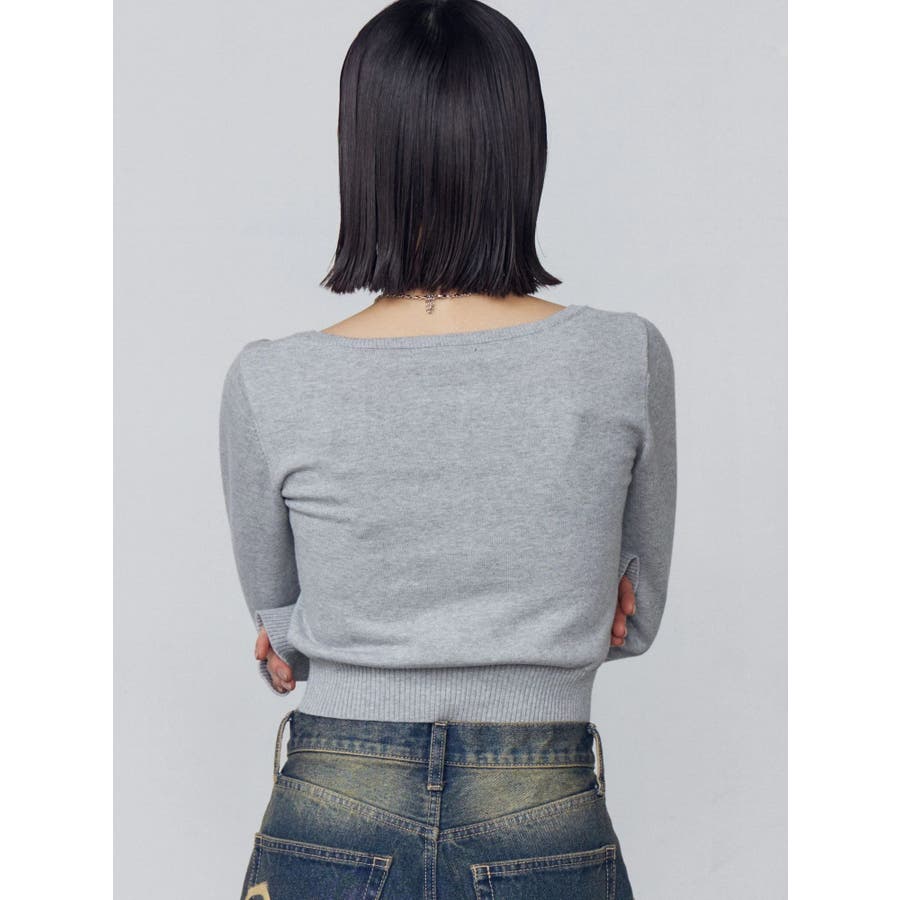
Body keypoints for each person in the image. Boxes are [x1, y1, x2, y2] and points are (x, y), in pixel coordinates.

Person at [218, 2, 676, 897]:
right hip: (543, 798)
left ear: (362, 153)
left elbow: (283, 632)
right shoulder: (623, 356)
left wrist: (334, 623)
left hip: (331, 801)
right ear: (522, 147)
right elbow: (634, 616)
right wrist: (554, 599)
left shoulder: (270, 380)